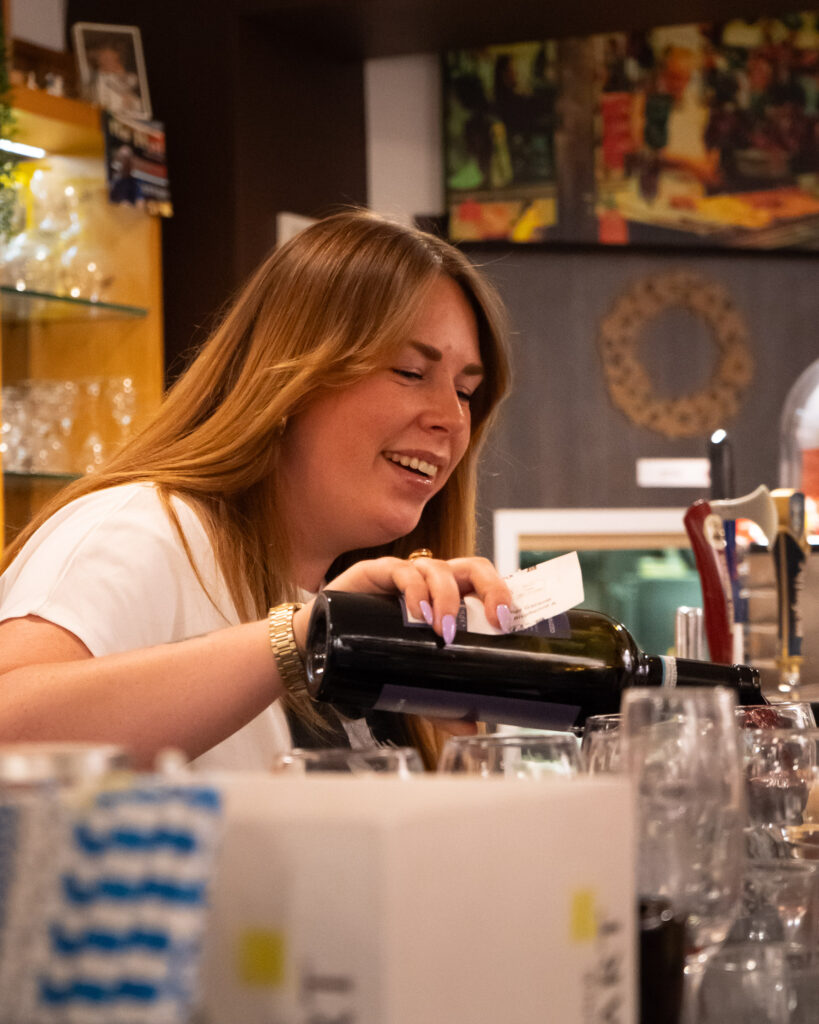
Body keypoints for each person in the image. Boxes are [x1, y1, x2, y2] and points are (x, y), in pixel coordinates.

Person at [0, 210, 514, 772]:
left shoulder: (365, 605)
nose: (451, 419)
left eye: (466, 392)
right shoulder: (143, 528)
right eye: (412, 372)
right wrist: (304, 636)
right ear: (292, 379)